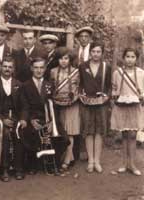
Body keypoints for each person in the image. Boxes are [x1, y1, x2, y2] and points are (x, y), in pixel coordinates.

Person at [22, 57, 69, 174]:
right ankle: (34, 164)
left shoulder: (50, 85)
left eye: (41, 68)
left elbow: (54, 106)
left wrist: (52, 122)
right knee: (29, 134)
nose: (39, 70)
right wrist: (31, 120)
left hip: (49, 118)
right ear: (31, 69)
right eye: (36, 68)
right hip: (33, 118)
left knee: (62, 138)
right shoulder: (25, 85)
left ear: (45, 69)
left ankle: (54, 163)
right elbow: (24, 106)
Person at [0, 56, 29, 182]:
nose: (7, 69)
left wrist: (23, 119)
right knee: (4, 134)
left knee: (19, 133)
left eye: (10, 67)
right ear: (0, 67)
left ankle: (18, 168)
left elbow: (24, 105)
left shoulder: (19, 84)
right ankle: (4, 169)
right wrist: (2, 119)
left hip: (15, 117)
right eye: (5, 66)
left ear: (13, 69)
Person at [111, 47, 144, 176]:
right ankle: (124, 163)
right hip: (122, 106)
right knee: (124, 134)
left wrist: (141, 96)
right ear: (123, 58)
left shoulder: (141, 73)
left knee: (133, 135)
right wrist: (116, 96)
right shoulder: (117, 73)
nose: (130, 60)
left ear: (136, 59)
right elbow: (114, 89)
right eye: (127, 57)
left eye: (132, 57)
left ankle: (133, 164)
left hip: (135, 106)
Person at [79, 42, 111, 173]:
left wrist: (106, 97)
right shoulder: (82, 66)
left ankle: (97, 160)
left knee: (99, 131)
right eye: (93, 51)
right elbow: (79, 84)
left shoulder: (106, 67)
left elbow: (109, 86)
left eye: (98, 51)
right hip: (87, 103)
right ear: (90, 52)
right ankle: (90, 160)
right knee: (88, 130)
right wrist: (81, 95)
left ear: (102, 53)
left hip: (101, 103)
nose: (96, 54)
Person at [50, 47, 80, 170]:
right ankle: (66, 157)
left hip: (71, 105)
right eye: (61, 58)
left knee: (70, 131)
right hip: (57, 105)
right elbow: (50, 88)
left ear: (69, 59)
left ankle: (67, 160)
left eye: (66, 58)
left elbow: (78, 88)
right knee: (62, 131)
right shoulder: (52, 71)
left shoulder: (75, 72)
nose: (63, 61)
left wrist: (73, 98)